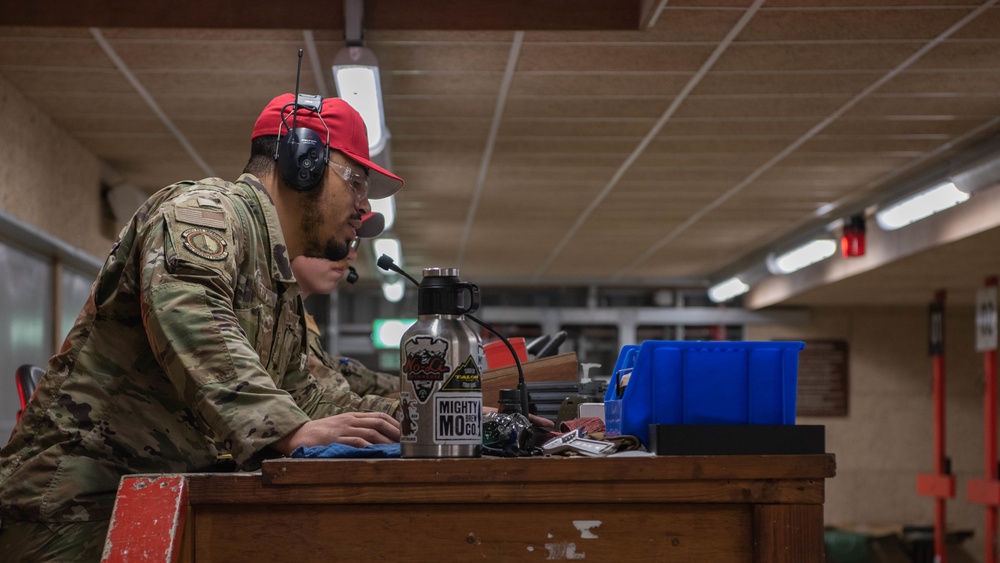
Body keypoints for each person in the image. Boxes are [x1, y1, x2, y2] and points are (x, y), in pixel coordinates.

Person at [0, 93, 403, 561]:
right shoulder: (206, 213)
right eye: (355, 181)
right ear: (303, 162)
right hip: (69, 513)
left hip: (145, 504)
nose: (363, 206)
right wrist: (288, 431)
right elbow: (192, 318)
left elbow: (309, 394)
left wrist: (426, 421)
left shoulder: (276, 281)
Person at [294, 211, 400, 417]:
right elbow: (315, 400)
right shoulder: (252, 303)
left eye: (352, 242)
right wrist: (426, 412)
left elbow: (329, 370)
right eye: (339, 239)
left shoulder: (295, 312)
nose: (351, 254)